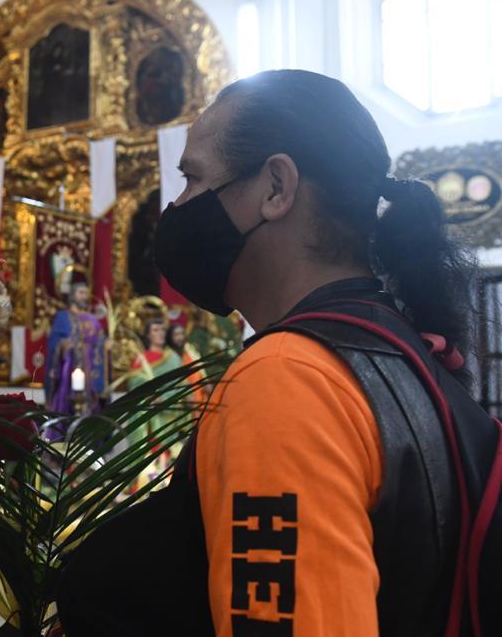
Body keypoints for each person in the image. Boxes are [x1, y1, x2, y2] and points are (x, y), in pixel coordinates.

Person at [58, 70, 500, 636]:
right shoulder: (395, 346)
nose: (178, 205)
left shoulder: (287, 379)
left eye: (193, 179)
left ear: (275, 188)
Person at [45, 279, 107, 417]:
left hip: (91, 373)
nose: (84, 296)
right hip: (69, 371)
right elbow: (54, 342)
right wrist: (63, 345)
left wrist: (106, 344)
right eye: (81, 292)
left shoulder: (92, 319)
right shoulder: (63, 317)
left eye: (86, 293)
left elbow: (100, 340)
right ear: (72, 295)